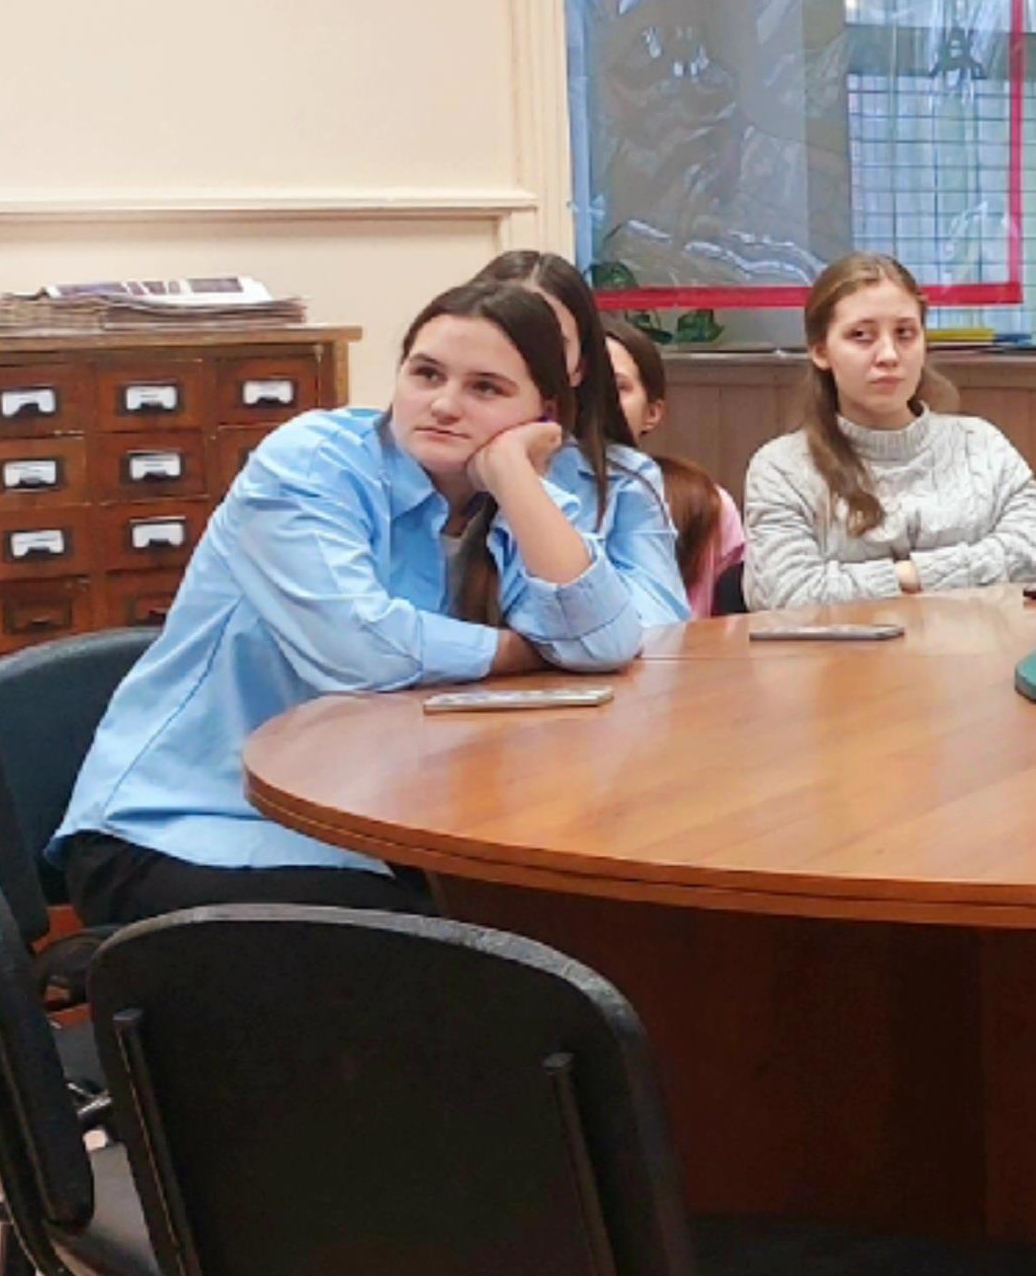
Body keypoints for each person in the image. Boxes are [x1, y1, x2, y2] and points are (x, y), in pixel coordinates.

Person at [54, 279, 668, 922]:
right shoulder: (311, 463)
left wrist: (516, 476)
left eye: (486, 388)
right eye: (426, 374)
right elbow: (359, 649)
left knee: (570, 912)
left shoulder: (514, 495)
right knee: (447, 942)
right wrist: (521, 652)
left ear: (544, 412)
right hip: (187, 826)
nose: (444, 405)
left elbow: (605, 643)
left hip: (371, 825)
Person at [743, 251, 1036, 605]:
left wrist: (912, 574)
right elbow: (788, 595)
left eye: (905, 334)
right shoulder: (781, 468)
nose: (889, 356)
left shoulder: (982, 445)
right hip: (848, 645)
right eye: (861, 336)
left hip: (977, 641)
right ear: (821, 351)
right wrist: (926, 575)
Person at [475, 241, 690, 640]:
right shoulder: (427, 458)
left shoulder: (625, 477)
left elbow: (657, 625)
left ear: (580, 367)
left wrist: (530, 484)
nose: (521, 358)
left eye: (549, 342)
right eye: (504, 336)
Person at [606, 326, 747, 616]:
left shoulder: (706, 503)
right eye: (581, 387)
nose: (598, 401)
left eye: (618, 387)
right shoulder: (529, 497)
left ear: (652, 412)